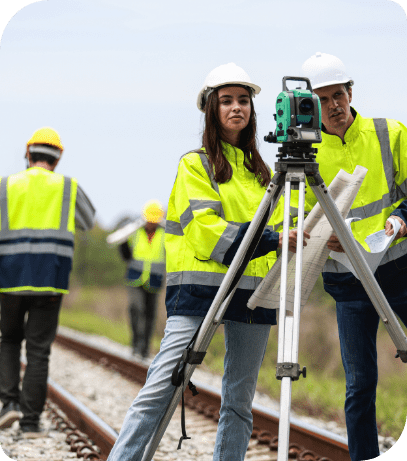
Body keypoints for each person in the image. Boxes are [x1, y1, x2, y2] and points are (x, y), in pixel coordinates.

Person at [107, 63, 309, 461]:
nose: (238, 108)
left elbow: (288, 221)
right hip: (201, 292)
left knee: (239, 403)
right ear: (211, 110)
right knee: (162, 387)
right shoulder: (195, 164)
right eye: (227, 101)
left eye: (244, 100)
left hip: (253, 294)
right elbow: (206, 231)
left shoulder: (261, 172)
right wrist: (272, 239)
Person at [301, 52, 407, 461]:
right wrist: (320, 236)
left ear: (350, 92)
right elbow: (293, 223)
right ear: (311, 105)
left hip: (398, 269)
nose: (334, 106)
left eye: (339, 95)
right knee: (359, 384)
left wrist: (400, 220)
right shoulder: (306, 153)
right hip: (348, 284)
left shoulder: (389, 133)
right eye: (323, 99)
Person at [0, 127, 95, 437]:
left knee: (9, 340)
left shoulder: (6, 185)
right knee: (39, 350)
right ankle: (29, 423)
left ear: (28, 154)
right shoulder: (67, 187)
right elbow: (87, 222)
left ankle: (8, 404)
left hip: (9, 279)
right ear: (58, 157)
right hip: (50, 280)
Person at [118, 200, 166, 359]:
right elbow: (125, 254)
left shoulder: (164, 233)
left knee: (150, 314)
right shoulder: (135, 232)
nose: (151, 223)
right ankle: (136, 345)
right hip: (135, 278)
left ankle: (144, 349)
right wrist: (123, 244)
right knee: (136, 309)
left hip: (154, 280)